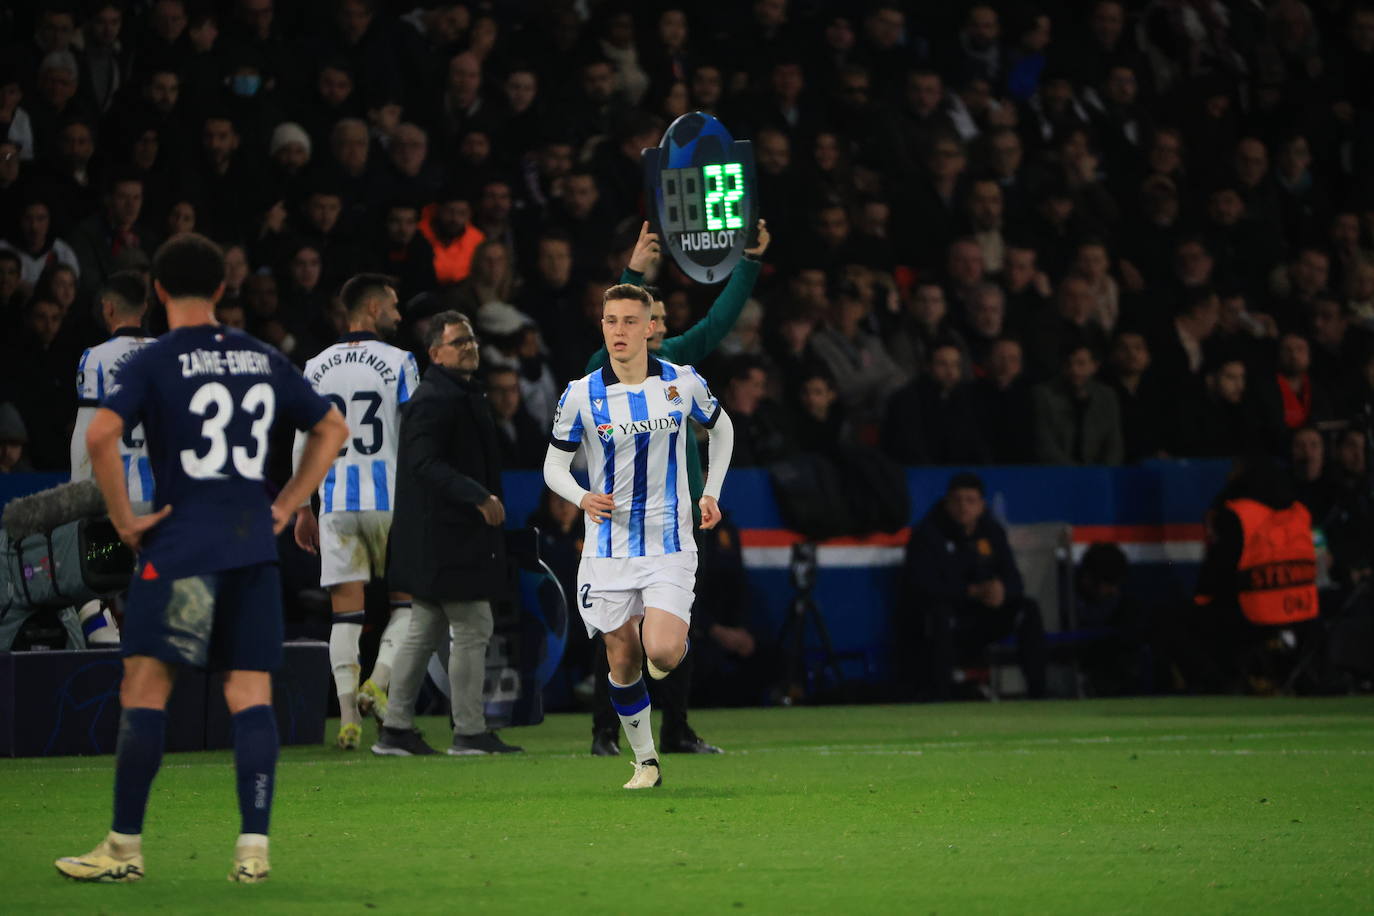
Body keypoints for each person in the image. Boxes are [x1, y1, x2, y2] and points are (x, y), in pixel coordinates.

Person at [56, 233, 348, 884]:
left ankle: (124, 847)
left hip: (182, 545)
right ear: (222, 290)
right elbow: (332, 427)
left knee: (146, 689)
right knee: (250, 694)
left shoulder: (155, 359)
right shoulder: (261, 356)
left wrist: (126, 520)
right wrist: (289, 501)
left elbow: (102, 433)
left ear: (157, 292)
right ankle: (252, 850)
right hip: (252, 544)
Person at [581, 220, 768, 758]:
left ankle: (676, 729)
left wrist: (749, 263)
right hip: (618, 521)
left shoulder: (679, 371)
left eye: (658, 319)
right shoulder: (604, 371)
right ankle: (604, 732)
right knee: (618, 631)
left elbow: (720, 320)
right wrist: (633, 270)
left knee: (676, 628)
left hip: (679, 518)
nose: (656, 327)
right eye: (648, 319)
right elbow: (616, 314)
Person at [544, 282, 735, 789]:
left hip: (671, 542)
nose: (619, 331)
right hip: (607, 548)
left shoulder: (682, 382)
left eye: (631, 321)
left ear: (651, 328)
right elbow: (553, 466)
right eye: (611, 321)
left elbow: (723, 428)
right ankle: (646, 760)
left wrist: (710, 491)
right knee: (621, 655)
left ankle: (667, 638)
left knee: (664, 653)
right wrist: (581, 496)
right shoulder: (581, 393)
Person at [372, 311, 520, 757]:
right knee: (474, 624)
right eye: (459, 342)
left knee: (424, 626)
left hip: (437, 537)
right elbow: (423, 462)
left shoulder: (452, 391)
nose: (470, 347)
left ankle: (395, 727)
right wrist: (476, 495)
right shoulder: (436, 398)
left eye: (472, 339)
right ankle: (469, 731)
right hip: (446, 538)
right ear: (435, 353)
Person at [291, 274, 420, 750]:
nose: (399, 315)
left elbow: (303, 438)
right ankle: (378, 682)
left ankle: (347, 718)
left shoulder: (315, 366)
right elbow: (412, 435)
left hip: (337, 504)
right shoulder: (401, 362)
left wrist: (304, 506)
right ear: (370, 308)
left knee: (345, 617)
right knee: (410, 603)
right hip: (389, 502)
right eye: (392, 305)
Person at [903, 472, 1048, 700]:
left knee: (1027, 609)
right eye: (957, 500)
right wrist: (969, 591)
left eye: (970, 500)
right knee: (939, 615)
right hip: (949, 617)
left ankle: (1039, 694)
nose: (963, 507)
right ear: (947, 502)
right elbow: (921, 585)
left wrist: (1002, 590)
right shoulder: (927, 534)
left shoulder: (992, 532)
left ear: (981, 505)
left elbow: (1014, 579)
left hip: (984, 614)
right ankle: (942, 696)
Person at [70, 272, 153, 497]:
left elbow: (84, 431)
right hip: (166, 495)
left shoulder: (96, 357)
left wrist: (77, 493)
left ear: (107, 307)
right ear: (144, 307)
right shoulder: (171, 355)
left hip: (118, 497)